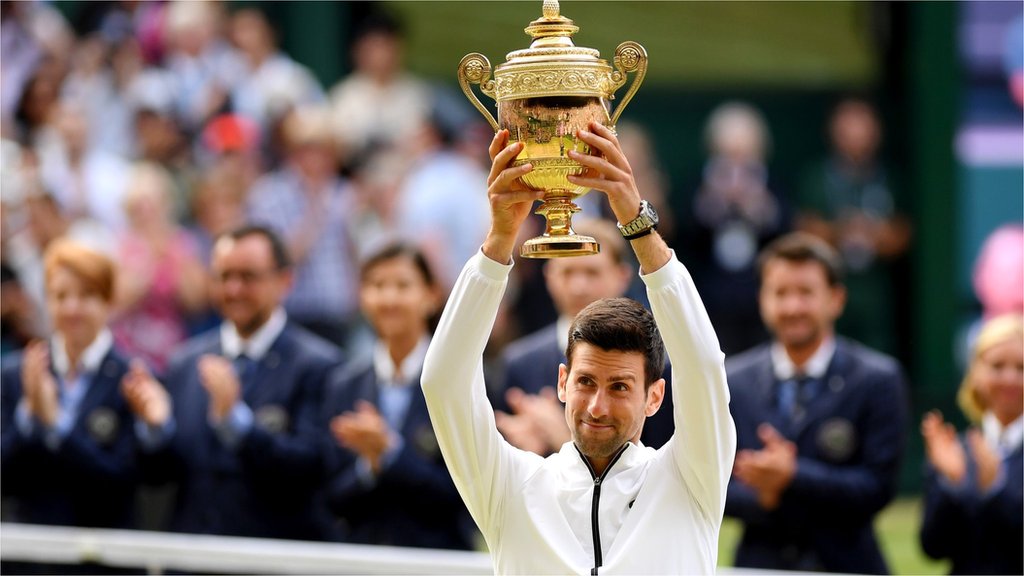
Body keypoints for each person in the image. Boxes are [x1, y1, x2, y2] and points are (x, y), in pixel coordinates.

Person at [421, 123, 736, 573]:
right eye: (586, 382)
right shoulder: (511, 485)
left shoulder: (690, 477)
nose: (598, 406)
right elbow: (442, 381)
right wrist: (499, 240)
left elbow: (702, 364)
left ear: (655, 397)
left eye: (621, 387)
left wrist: (637, 223)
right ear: (562, 382)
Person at [122, 225, 344, 540]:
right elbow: (160, 479)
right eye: (224, 277)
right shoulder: (185, 363)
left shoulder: (319, 366)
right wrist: (154, 431)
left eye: (248, 277)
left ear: (285, 281)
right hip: (195, 559)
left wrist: (238, 426)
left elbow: (312, 471)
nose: (234, 289)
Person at [724, 232, 908, 573]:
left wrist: (793, 476)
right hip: (759, 565)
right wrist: (761, 497)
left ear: (836, 299)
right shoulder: (733, 380)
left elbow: (878, 489)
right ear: (762, 299)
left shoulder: (877, 378)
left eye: (806, 293)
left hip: (848, 566)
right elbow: (714, 487)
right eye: (780, 293)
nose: (793, 307)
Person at [323, 241, 471, 549]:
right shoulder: (344, 384)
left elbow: (465, 495)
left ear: (431, 295)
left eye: (403, 285)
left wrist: (389, 454)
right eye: (377, 285)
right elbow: (330, 493)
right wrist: (370, 466)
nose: (389, 298)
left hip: (436, 559)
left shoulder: (461, 380)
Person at [495, 218, 675, 454]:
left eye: (592, 273)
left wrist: (563, 440)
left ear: (622, 276)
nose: (579, 286)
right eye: (567, 272)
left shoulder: (660, 363)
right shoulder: (518, 363)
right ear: (549, 277)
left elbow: (658, 464)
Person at [1, 239, 138, 529]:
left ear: (108, 300)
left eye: (87, 295)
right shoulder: (16, 374)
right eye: (61, 296)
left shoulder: (132, 379)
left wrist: (56, 425)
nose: (72, 308)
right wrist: (28, 415)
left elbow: (122, 480)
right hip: (30, 559)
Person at [919, 314, 1023, 575]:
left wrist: (996, 490)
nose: (1010, 378)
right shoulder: (956, 451)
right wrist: (951, 485)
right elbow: (933, 547)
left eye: (1022, 368)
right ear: (975, 373)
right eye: (997, 366)